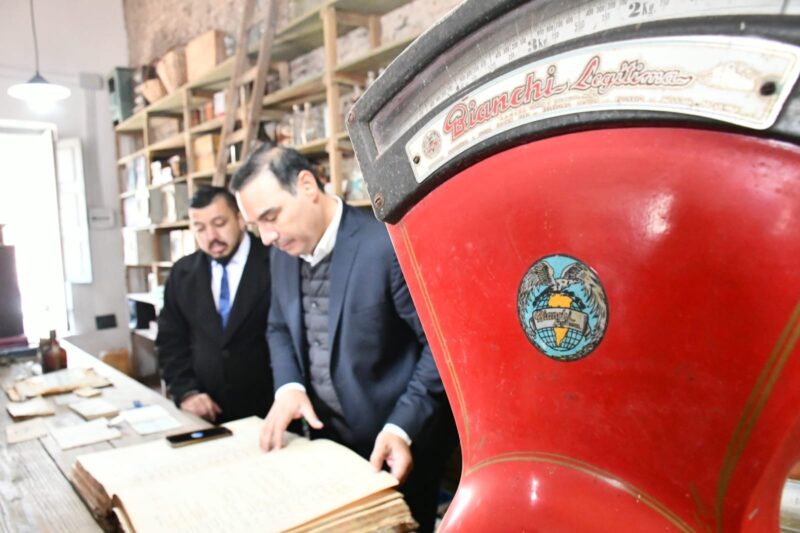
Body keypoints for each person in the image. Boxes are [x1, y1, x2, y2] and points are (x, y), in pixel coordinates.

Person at [230, 145, 455, 533]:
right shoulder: (282, 253)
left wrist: (401, 427)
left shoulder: (384, 246)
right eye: (255, 226)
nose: (265, 237)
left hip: (397, 441)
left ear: (306, 185)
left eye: (270, 217)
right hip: (330, 443)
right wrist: (289, 386)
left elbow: (439, 348)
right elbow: (278, 326)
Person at [156, 186, 273, 424]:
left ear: (240, 219)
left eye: (219, 224)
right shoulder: (182, 273)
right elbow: (170, 341)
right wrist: (187, 392)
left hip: (269, 411)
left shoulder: (276, 262)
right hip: (205, 413)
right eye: (200, 228)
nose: (211, 236)